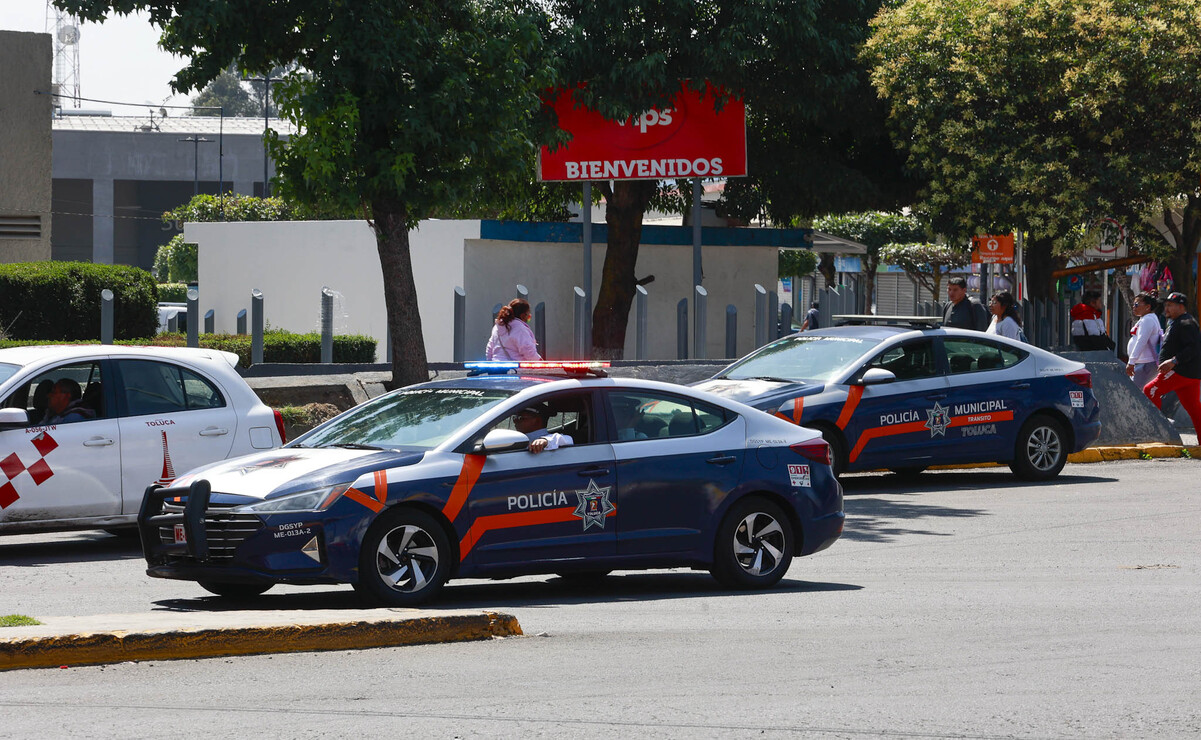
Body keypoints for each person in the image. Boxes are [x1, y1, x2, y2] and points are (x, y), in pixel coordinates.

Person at [1143, 292, 1201, 433]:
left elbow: (1193, 348)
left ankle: (1158, 432)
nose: (1166, 308)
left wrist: (1174, 361)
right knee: (1194, 409)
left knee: (1150, 391)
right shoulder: (1178, 322)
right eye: (1166, 305)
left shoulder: (1185, 322)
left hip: (1179, 372)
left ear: (1181, 307)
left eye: (1170, 305)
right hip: (1189, 375)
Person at [1126, 291, 1164, 390]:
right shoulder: (1148, 318)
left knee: (1135, 393)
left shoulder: (1148, 320)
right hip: (1144, 364)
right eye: (1133, 304)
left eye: (1137, 304)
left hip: (1145, 364)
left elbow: (1141, 341)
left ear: (1147, 307)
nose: (1134, 307)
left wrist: (1131, 362)